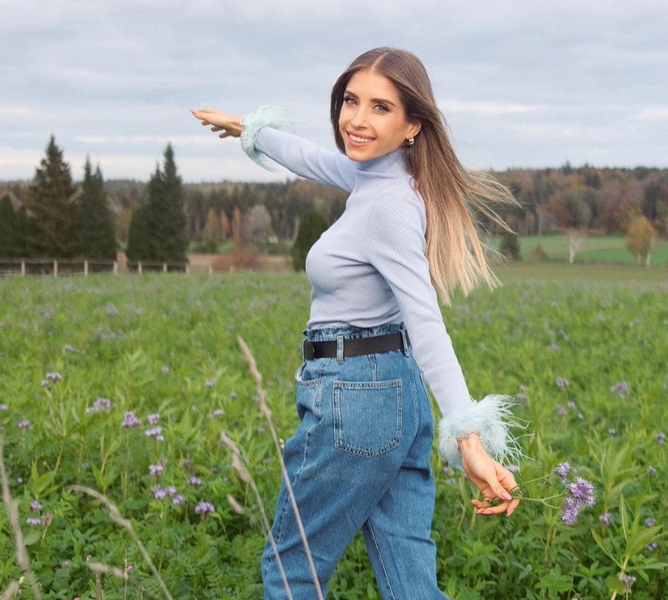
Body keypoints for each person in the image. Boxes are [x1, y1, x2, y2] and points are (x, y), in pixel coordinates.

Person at [192, 46, 526, 600]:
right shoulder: (379, 177)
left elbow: (425, 319)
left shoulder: (388, 204)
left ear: (412, 124)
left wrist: (468, 435)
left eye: (379, 107)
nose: (356, 119)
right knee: (410, 584)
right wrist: (249, 130)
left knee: (292, 569)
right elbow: (313, 159)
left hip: (356, 396)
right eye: (351, 101)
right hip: (396, 395)